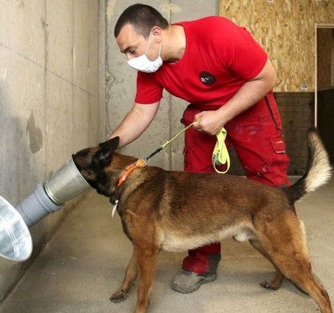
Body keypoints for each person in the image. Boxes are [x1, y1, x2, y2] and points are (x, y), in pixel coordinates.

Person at [108, 4, 290, 294]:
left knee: (271, 188)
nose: (131, 60)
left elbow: (266, 77)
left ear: (156, 34)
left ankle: (291, 258)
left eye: (132, 50)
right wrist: (107, 146)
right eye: (125, 54)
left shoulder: (218, 34)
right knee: (194, 190)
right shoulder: (152, 68)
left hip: (250, 102)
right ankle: (203, 260)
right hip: (203, 115)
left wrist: (223, 115)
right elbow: (141, 113)